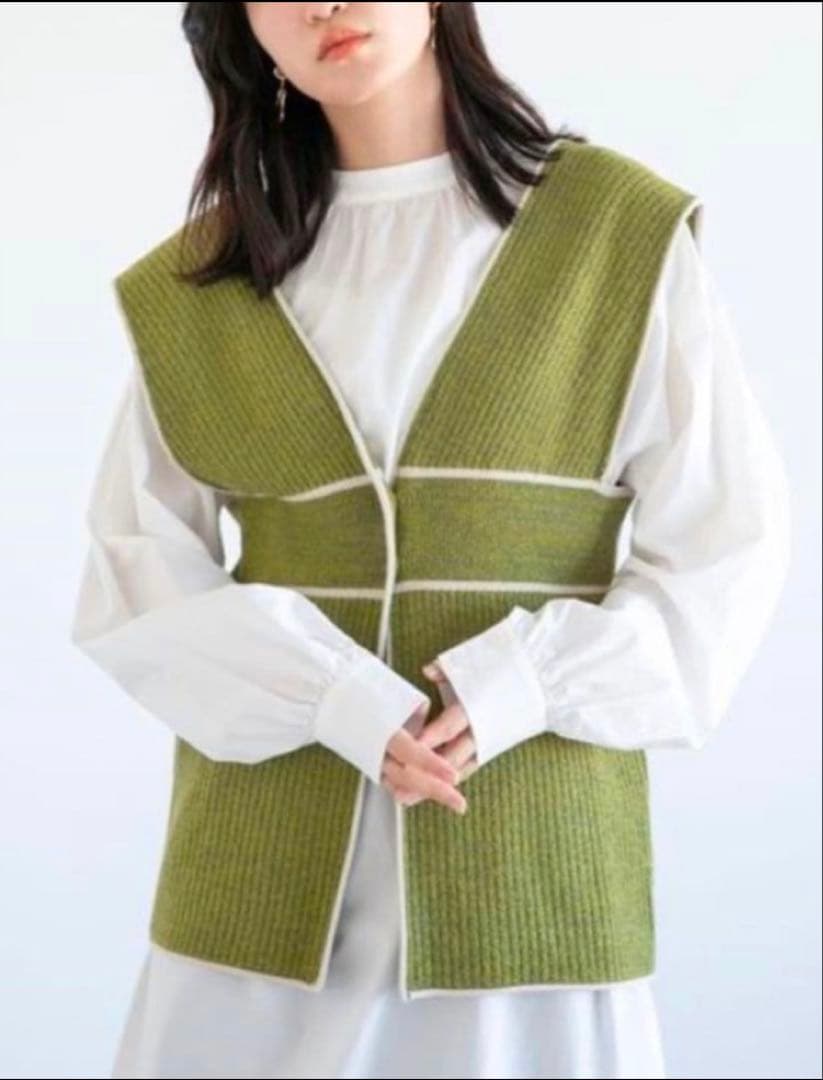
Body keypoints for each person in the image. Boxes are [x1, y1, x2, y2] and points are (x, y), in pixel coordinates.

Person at [69, 3, 791, 1078]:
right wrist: (332, 697)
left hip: (532, 897)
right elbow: (135, 570)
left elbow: (723, 548)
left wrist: (524, 683)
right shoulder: (199, 283)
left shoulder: (618, 234)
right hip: (253, 921)